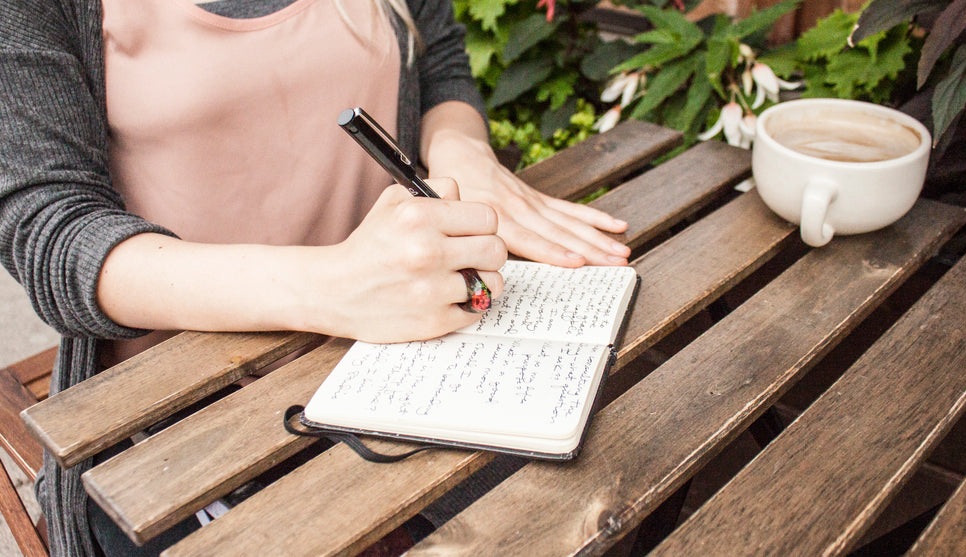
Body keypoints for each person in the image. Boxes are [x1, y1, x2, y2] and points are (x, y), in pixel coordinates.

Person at [0, 0, 631, 555]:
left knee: (611, 486)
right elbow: (50, 230)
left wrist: (463, 150)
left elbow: (441, 69)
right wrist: (333, 286)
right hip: (184, 421)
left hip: (406, 360)